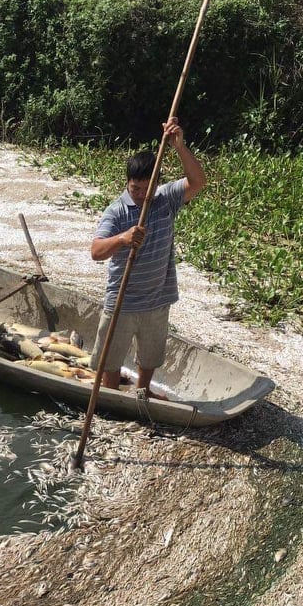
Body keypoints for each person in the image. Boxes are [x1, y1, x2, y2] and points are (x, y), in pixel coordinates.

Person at [89, 117, 206, 397]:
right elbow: (96, 252)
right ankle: (112, 396)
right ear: (127, 184)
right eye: (135, 189)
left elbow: (198, 182)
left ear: (156, 182)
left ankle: (143, 391)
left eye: (146, 188)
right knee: (111, 356)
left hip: (158, 296)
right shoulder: (116, 211)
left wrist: (179, 146)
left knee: (151, 354)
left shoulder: (166, 198)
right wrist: (123, 239)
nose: (141, 195)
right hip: (123, 299)